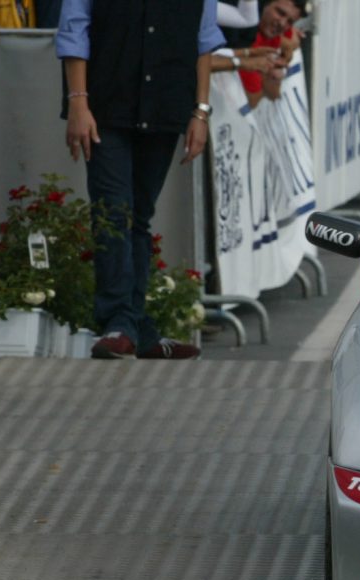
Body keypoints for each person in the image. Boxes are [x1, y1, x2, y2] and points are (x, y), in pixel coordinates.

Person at [58, 0, 224, 360]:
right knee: (113, 212)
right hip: (105, 104)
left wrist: (201, 112)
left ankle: (136, 328)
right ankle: (119, 321)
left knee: (139, 217)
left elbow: (204, 39)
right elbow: (74, 29)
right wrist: (78, 103)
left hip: (165, 103)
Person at [235, 0, 303, 108]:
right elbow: (253, 100)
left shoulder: (273, 34)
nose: (282, 23)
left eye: (290, 22)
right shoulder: (240, 32)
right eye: (280, 13)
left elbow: (293, 42)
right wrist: (267, 76)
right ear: (264, 3)